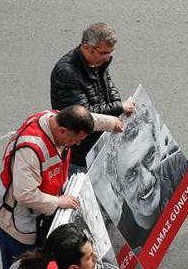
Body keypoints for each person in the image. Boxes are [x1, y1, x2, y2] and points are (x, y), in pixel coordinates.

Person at [0, 105, 117, 269]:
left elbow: (86, 118)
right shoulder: (31, 150)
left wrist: (112, 123)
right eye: (75, 139)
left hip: (37, 215)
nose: (77, 143)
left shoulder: (58, 118)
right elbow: (25, 195)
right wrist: (58, 201)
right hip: (15, 224)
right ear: (63, 131)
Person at [50, 22, 136, 171]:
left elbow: (108, 86)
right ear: (86, 47)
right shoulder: (67, 73)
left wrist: (118, 107)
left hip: (100, 142)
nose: (107, 58)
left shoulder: (97, 62)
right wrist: (119, 107)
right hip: (80, 151)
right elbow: (84, 114)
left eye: (110, 53)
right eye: (104, 53)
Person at [104, 103, 188, 250]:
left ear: (157, 146)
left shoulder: (182, 170)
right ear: (117, 188)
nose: (147, 179)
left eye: (149, 156)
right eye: (132, 175)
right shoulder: (125, 247)